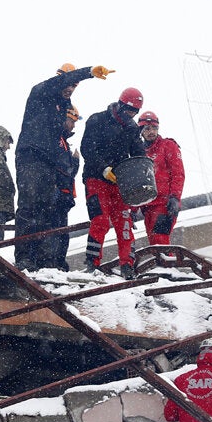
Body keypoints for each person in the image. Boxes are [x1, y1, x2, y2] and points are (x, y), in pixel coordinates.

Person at [14, 62, 115, 271]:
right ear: (60, 78)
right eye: (69, 83)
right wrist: (87, 73)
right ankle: (24, 257)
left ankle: (44, 261)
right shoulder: (41, 92)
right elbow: (59, 83)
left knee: (46, 210)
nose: (70, 88)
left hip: (49, 162)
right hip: (31, 155)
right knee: (29, 205)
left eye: (75, 86)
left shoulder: (62, 108)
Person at [80, 87, 146, 279]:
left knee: (124, 223)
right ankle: (92, 264)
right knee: (100, 220)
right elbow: (87, 149)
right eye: (129, 111)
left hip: (120, 181)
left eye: (135, 112)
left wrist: (141, 173)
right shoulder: (97, 120)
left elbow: (138, 152)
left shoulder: (133, 128)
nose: (131, 115)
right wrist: (103, 168)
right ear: (120, 105)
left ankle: (127, 265)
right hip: (95, 177)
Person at [136, 111, 185, 245]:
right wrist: (133, 209)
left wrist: (175, 197)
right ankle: (162, 265)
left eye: (154, 128)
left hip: (166, 204)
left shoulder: (168, 146)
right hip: (147, 206)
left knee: (160, 240)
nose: (151, 131)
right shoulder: (139, 153)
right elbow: (137, 182)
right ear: (141, 131)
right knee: (154, 244)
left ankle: (167, 265)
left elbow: (178, 173)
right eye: (147, 128)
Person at [52, 105, 82, 271]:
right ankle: (56, 263)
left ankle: (59, 262)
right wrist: (75, 161)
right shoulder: (57, 140)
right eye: (72, 121)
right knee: (58, 232)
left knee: (62, 233)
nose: (73, 125)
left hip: (63, 195)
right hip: (58, 194)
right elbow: (65, 171)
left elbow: (68, 172)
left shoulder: (63, 142)